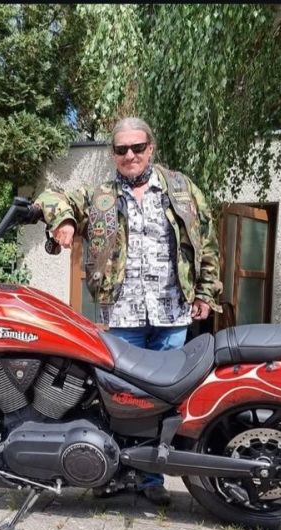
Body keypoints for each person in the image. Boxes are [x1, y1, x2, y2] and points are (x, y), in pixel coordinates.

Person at [35, 116, 223, 507]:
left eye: (137, 147)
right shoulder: (101, 195)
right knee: (119, 399)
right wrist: (65, 220)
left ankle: (152, 478)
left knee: (163, 401)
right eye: (121, 149)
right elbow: (50, 198)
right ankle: (116, 473)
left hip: (171, 313)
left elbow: (206, 241)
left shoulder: (181, 189)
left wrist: (206, 292)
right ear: (113, 153)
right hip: (121, 316)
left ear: (150, 148)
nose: (130, 155)